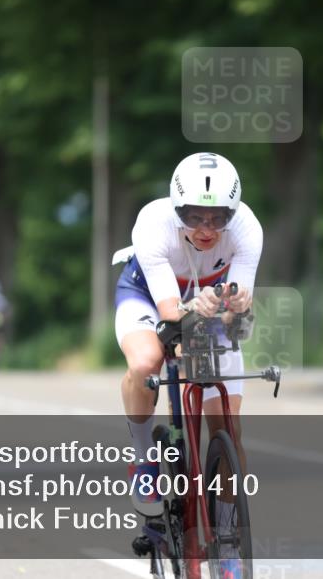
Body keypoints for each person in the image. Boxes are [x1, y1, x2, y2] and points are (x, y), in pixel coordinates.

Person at [113, 152, 261, 575]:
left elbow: (238, 320)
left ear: (233, 213)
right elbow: (169, 314)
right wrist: (193, 311)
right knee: (146, 362)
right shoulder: (152, 222)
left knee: (228, 428)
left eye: (218, 218)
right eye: (195, 216)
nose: (207, 229)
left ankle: (228, 541)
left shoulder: (248, 228)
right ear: (177, 209)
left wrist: (235, 307)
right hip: (149, 296)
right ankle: (144, 459)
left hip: (209, 302)